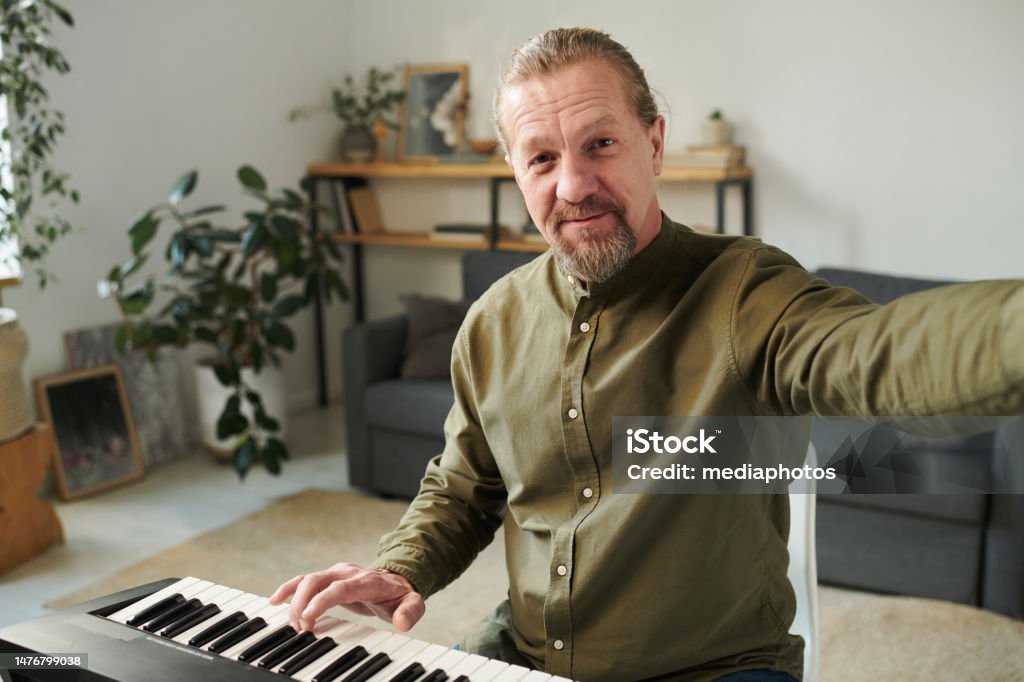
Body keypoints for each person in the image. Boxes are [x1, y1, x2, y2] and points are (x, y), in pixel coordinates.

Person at [271, 27, 1024, 681]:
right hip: (523, 653)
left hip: (713, 669)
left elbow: (870, 352)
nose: (573, 185)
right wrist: (399, 567)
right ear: (516, 174)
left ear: (653, 143)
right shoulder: (491, 321)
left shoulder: (742, 289)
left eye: (600, 144)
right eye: (541, 159)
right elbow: (464, 486)